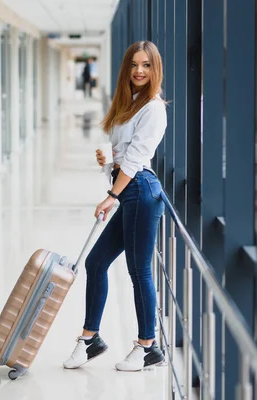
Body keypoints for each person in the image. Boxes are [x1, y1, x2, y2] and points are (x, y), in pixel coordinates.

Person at [63, 41, 167, 372]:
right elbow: (122, 156)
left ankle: (147, 346)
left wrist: (112, 195)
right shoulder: (129, 103)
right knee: (96, 262)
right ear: (127, 68)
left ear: (155, 70)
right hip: (129, 190)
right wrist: (106, 163)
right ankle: (90, 339)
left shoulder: (153, 107)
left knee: (139, 270)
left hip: (141, 191)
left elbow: (137, 159)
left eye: (146, 65)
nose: (139, 70)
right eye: (135, 64)